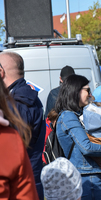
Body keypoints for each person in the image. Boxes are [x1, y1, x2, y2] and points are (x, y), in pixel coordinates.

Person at [48, 74, 101, 200]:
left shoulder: (71, 115)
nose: (91, 94)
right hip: (87, 176)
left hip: (86, 173)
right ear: (76, 91)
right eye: (87, 90)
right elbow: (86, 147)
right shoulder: (68, 116)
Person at [0, 51, 46, 199]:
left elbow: (11, 147)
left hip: (20, 187)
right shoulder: (20, 97)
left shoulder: (19, 101)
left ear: (1, 72)